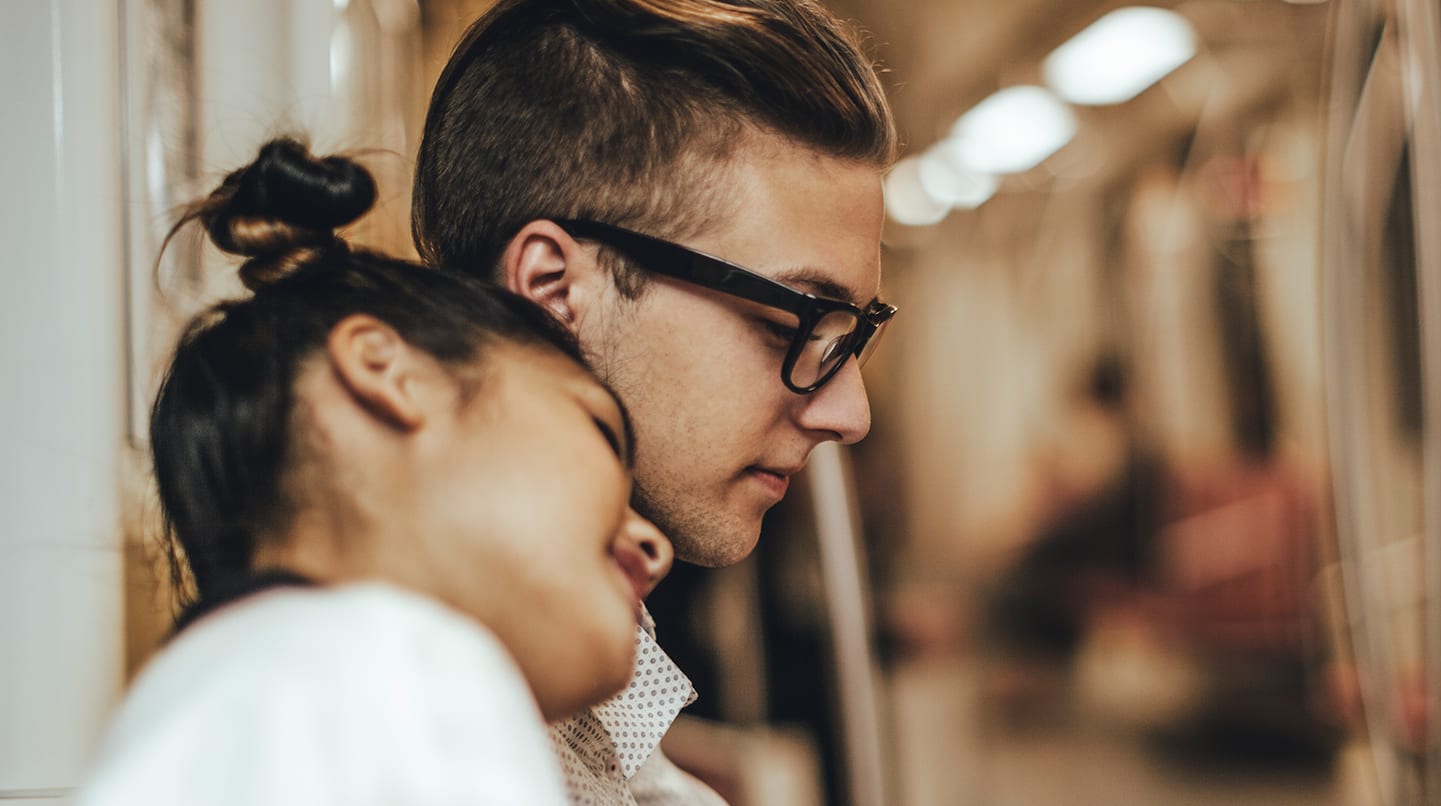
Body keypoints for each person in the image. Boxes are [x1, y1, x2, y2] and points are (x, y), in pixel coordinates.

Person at [76, 139, 674, 805]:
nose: (653, 546)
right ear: (389, 372)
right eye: (598, 430)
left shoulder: (219, 691)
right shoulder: (392, 671)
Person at [412, 1, 897, 802]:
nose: (851, 413)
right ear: (552, 291)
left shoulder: (568, 654)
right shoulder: (415, 727)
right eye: (799, 323)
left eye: (853, 336)